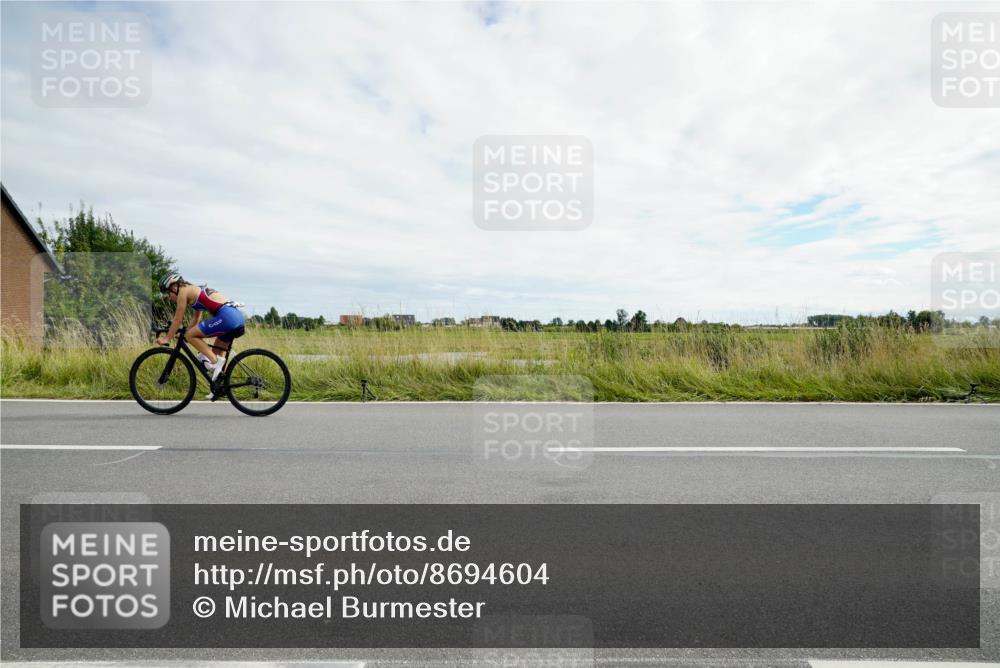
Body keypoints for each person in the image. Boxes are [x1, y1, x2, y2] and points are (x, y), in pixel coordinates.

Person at [157, 273, 245, 380]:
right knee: (217, 354)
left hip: (227, 316)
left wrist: (167, 338)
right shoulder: (194, 290)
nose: (169, 298)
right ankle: (221, 386)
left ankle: (216, 363)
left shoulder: (183, 292)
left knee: (191, 336)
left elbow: (177, 319)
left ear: (174, 287)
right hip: (235, 315)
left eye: (168, 293)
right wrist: (183, 334)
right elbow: (196, 318)